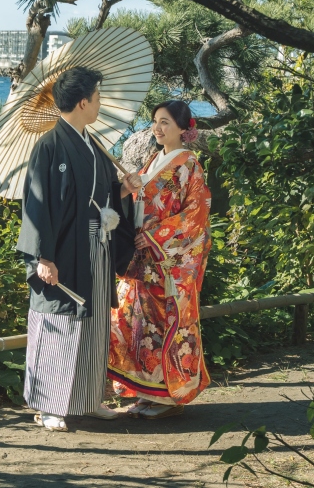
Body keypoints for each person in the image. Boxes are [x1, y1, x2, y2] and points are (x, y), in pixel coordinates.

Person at [16, 66, 140, 431]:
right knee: (59, 320)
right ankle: (49, 404)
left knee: (95, 320)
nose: (100, 103)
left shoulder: (93, 143)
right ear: (83, 102)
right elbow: (37, 206)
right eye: (98, 97)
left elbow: (102, 194)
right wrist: (43, 257)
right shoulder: (50, 146)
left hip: (96, 246)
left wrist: (123, 190)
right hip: (63, 248)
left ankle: (88, 399)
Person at [106, 100, 212, 419]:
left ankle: (168, 397)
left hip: (167, 259)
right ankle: (145, 391)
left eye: (165, 122)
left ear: (183, 128)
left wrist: (157, 235)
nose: (158, 128)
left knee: (166, 322)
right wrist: (129, 187)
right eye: (155, 121)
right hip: (144, 256)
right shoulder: (155, 158)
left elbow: (196, 213)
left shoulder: (189, 163)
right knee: (139, 322)